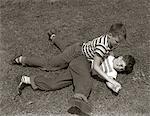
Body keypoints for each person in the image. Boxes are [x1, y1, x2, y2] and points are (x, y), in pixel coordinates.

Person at [12, 23, 128, 115]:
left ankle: (26, 79)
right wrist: (112, 80)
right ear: (109, 35)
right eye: (116, 42)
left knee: (54, 82)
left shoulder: (110, 44)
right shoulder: (102, 46)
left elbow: (109, 52)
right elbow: (97, 67)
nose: (117, 45)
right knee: (51, 64)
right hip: (76, 53)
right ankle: (22, 59)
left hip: (81, 58)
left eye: (119, 43)